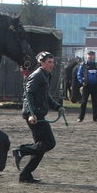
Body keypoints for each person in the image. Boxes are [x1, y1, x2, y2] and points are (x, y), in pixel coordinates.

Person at [12, 51, 64, 184]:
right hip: (35, 116)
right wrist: (31, 114)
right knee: (49, 143)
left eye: (53, 62)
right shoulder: (37, 76)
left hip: (38, 114)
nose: (52, 64)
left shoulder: (45, 75)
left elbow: (46, 96)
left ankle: (25, 175)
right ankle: (20, 151)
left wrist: (57, 106)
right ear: (42, 63)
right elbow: (27, 95)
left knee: (40, 147)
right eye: (49, 62)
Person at [76, 51, 97, 122]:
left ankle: (95, 118)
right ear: (87, 56)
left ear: (94, 56)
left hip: (95, 87)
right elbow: (79, 75)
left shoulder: (96, 65)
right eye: (89, 55)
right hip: (86, 86)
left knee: (95, 103)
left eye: (91, 55)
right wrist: (82, 82)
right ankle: (80, 118)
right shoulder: (83, 65)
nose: (90, 57)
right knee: (84, 102)